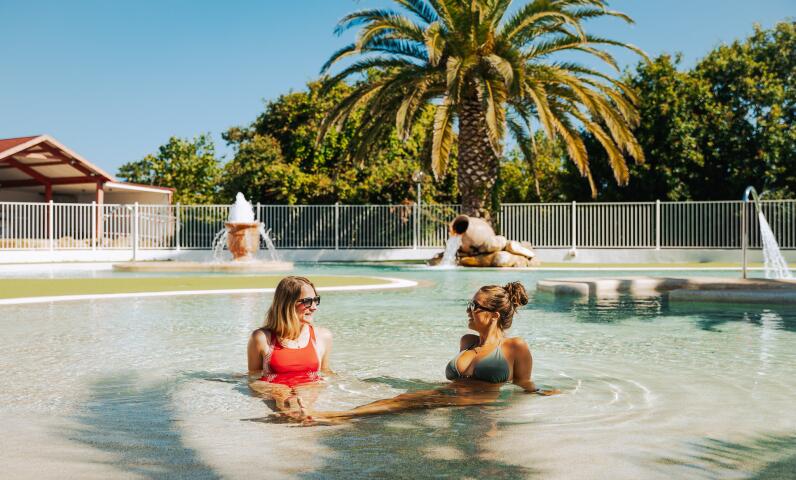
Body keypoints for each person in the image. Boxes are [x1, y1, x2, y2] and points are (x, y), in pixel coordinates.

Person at [294, 281, 555, 424]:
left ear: (494, 315)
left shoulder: (515, 346)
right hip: (447, 397)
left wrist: (545, 392)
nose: (468, 309)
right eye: (470, 303)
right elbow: (457, 381)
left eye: (475, 306)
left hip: (479, 408)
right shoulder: (467, 341)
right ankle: (342, 416)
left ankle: (337, 417)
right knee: (402, 398)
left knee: (404, 402)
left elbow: (524, 383)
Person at [247, 276, 333, 419]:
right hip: (278, 396)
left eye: (316, 300)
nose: (314, 307)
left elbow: (325, 374)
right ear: (287, 304)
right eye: (307, 301)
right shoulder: (261, 338)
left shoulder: (323, 336)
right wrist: (279, 392)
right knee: (293, 411)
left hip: (308, 393)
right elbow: (253, 377)